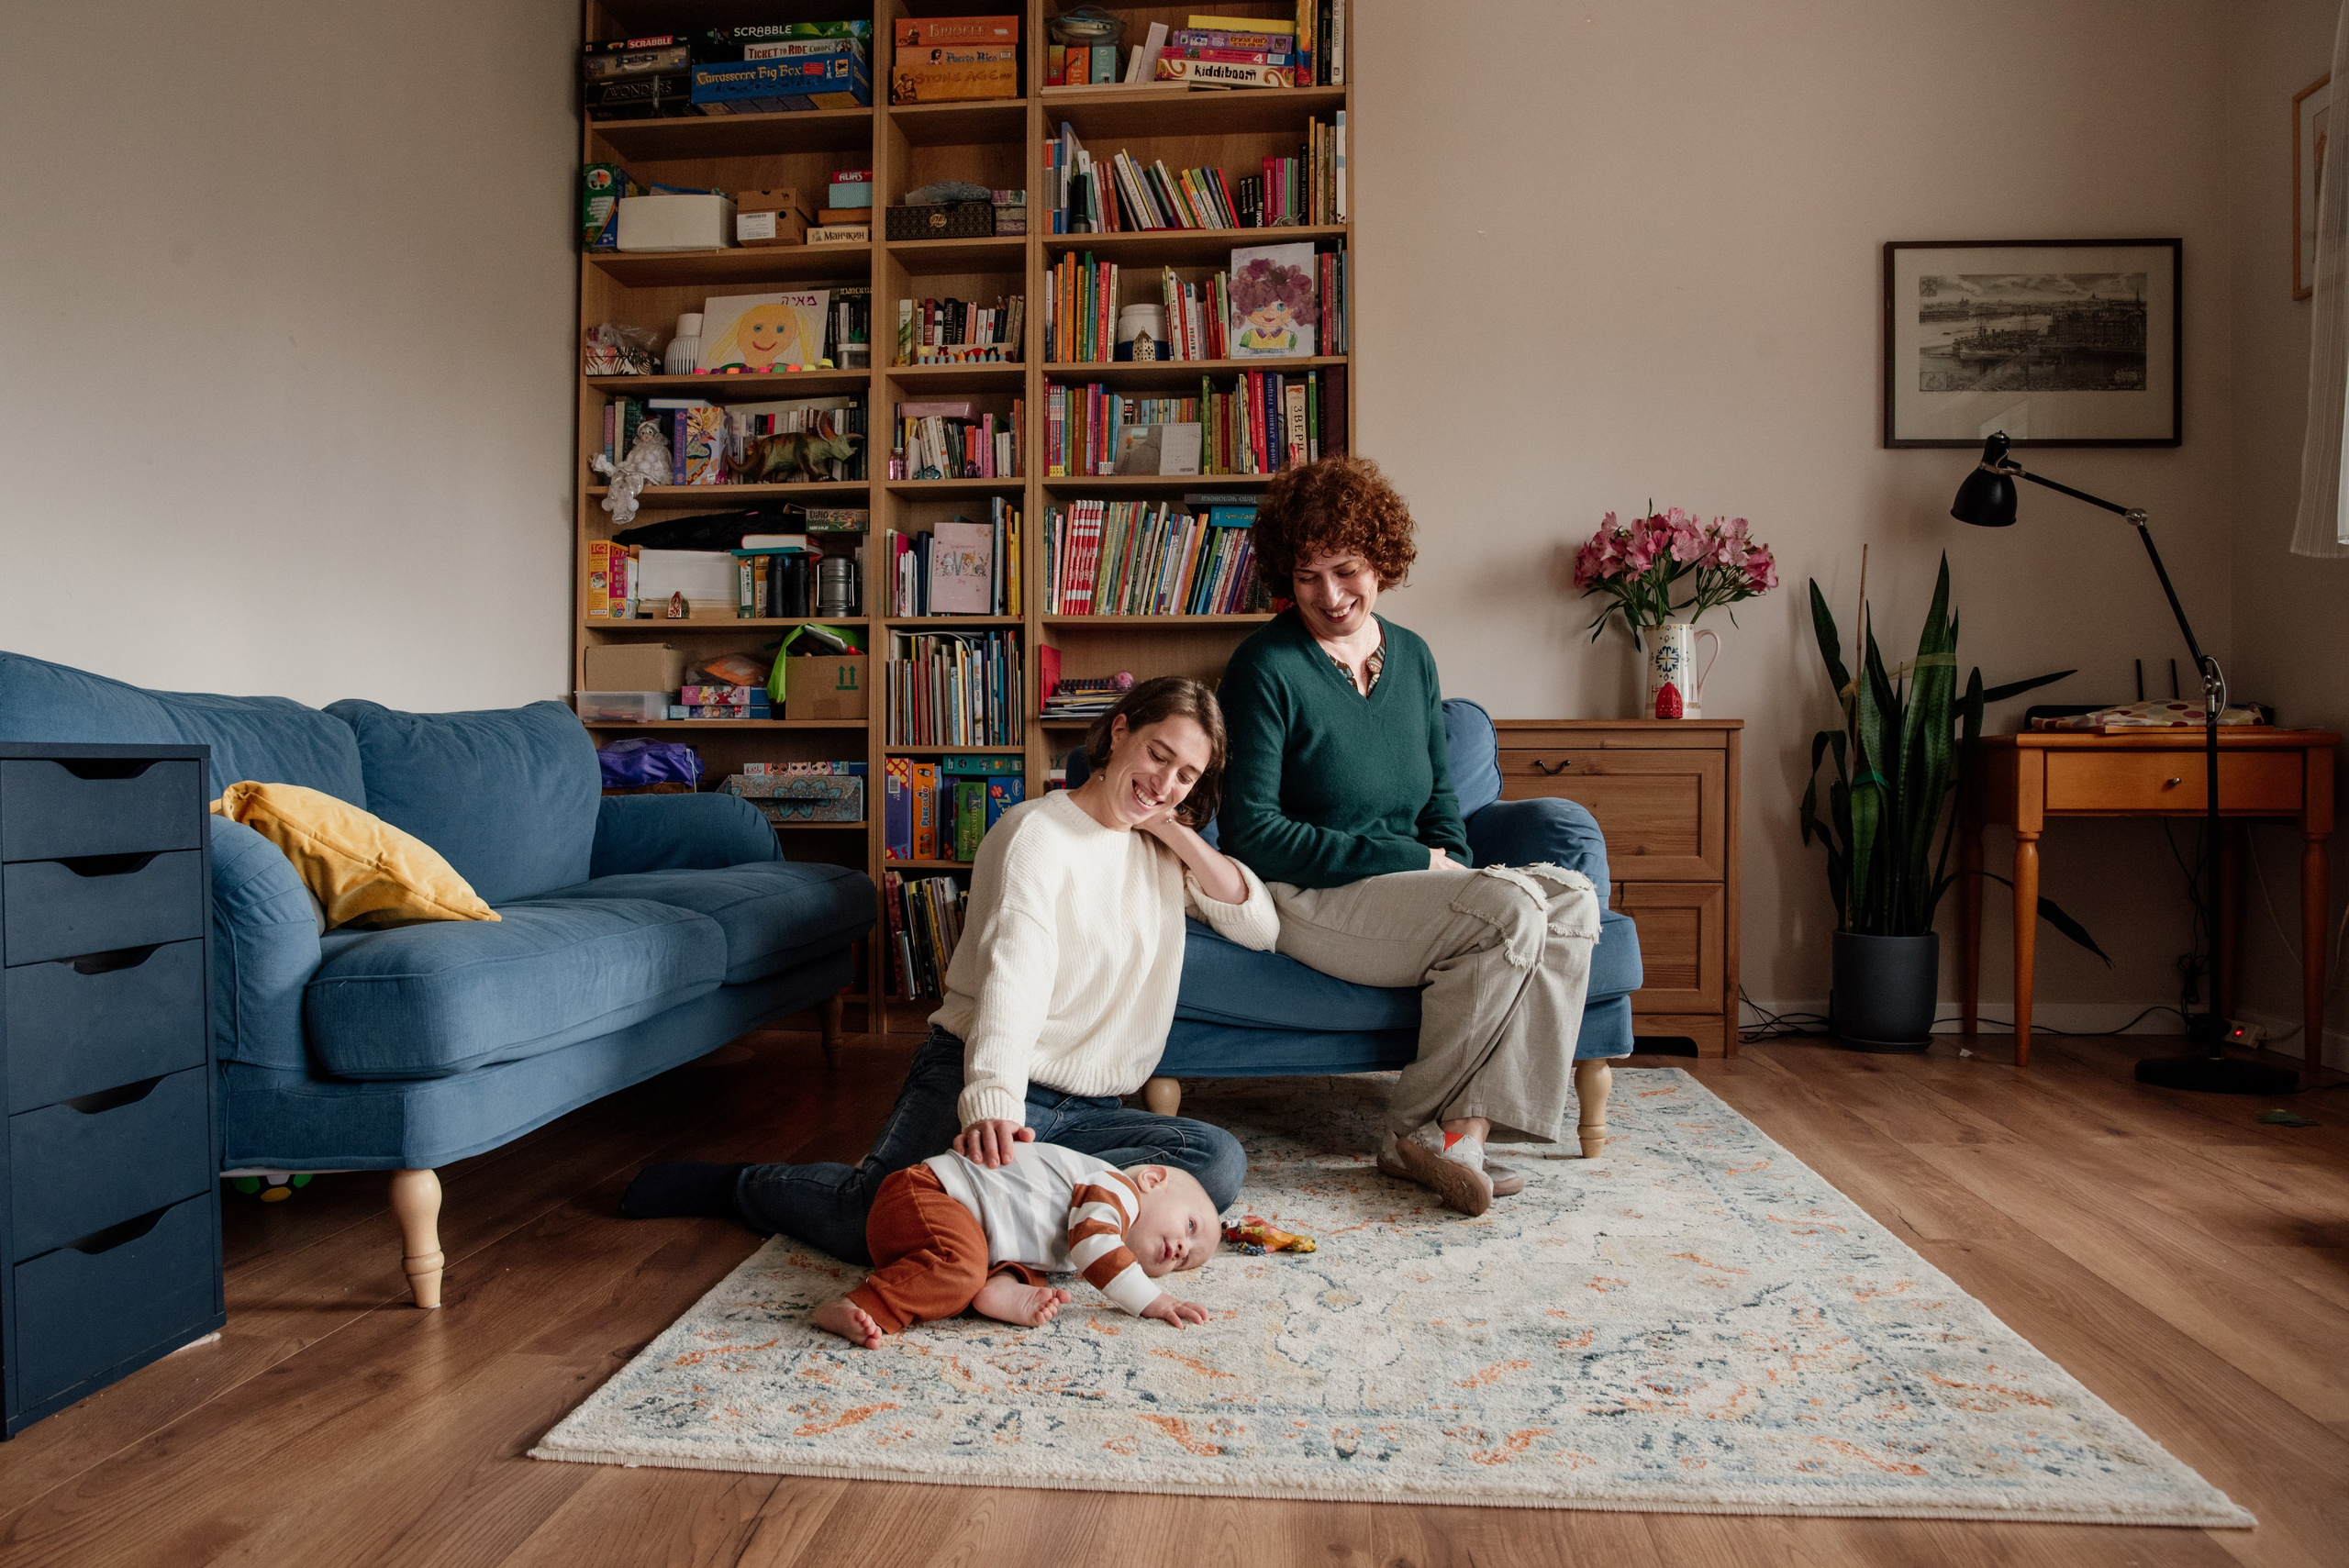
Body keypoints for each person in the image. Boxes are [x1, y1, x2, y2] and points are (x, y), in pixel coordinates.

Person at [622, 676, 1278, 1262]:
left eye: (1187, 775)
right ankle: (736, 1184)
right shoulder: (1036, 835)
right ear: (1120, 730)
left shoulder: (1163, 854)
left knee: (1215, 1163)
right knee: (869, 1225)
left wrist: (1173, 832)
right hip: (991, 1072)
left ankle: (1011, 1210)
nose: (1164, 782)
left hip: (1092, 1113)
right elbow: (1013, 974)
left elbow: (1259, 925)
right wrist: (992, 1101)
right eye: (1159, 755)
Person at [1217, 455, 1607, 1219]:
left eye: (1346, 569)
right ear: (1284, 578)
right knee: (1509, 910)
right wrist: (1413, 861)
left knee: (1570, 902)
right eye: (1307, 576)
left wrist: (1448, 869)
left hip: (1414, 891)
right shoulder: (1264, 667)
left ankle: (1465, 1131)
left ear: (1382, 562)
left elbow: (1440, 807)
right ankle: (1411, 1132)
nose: (1329, 595)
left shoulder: (1416, 657)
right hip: (1314, 896)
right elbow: (1253, 834)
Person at [813, 1141, 1220, 1349]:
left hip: (942, 1231)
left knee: (1033, 1270)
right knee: (961, 1269)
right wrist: (1153, 1300)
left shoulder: (1071, 1228)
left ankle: (999, 1287)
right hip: (927, 1194)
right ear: (1152, 1181)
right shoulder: (1118, 1190)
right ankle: (858, 1305)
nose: (1183, 1249)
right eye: (1189, 1226)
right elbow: (1095, 1246)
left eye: (1186, 1262)